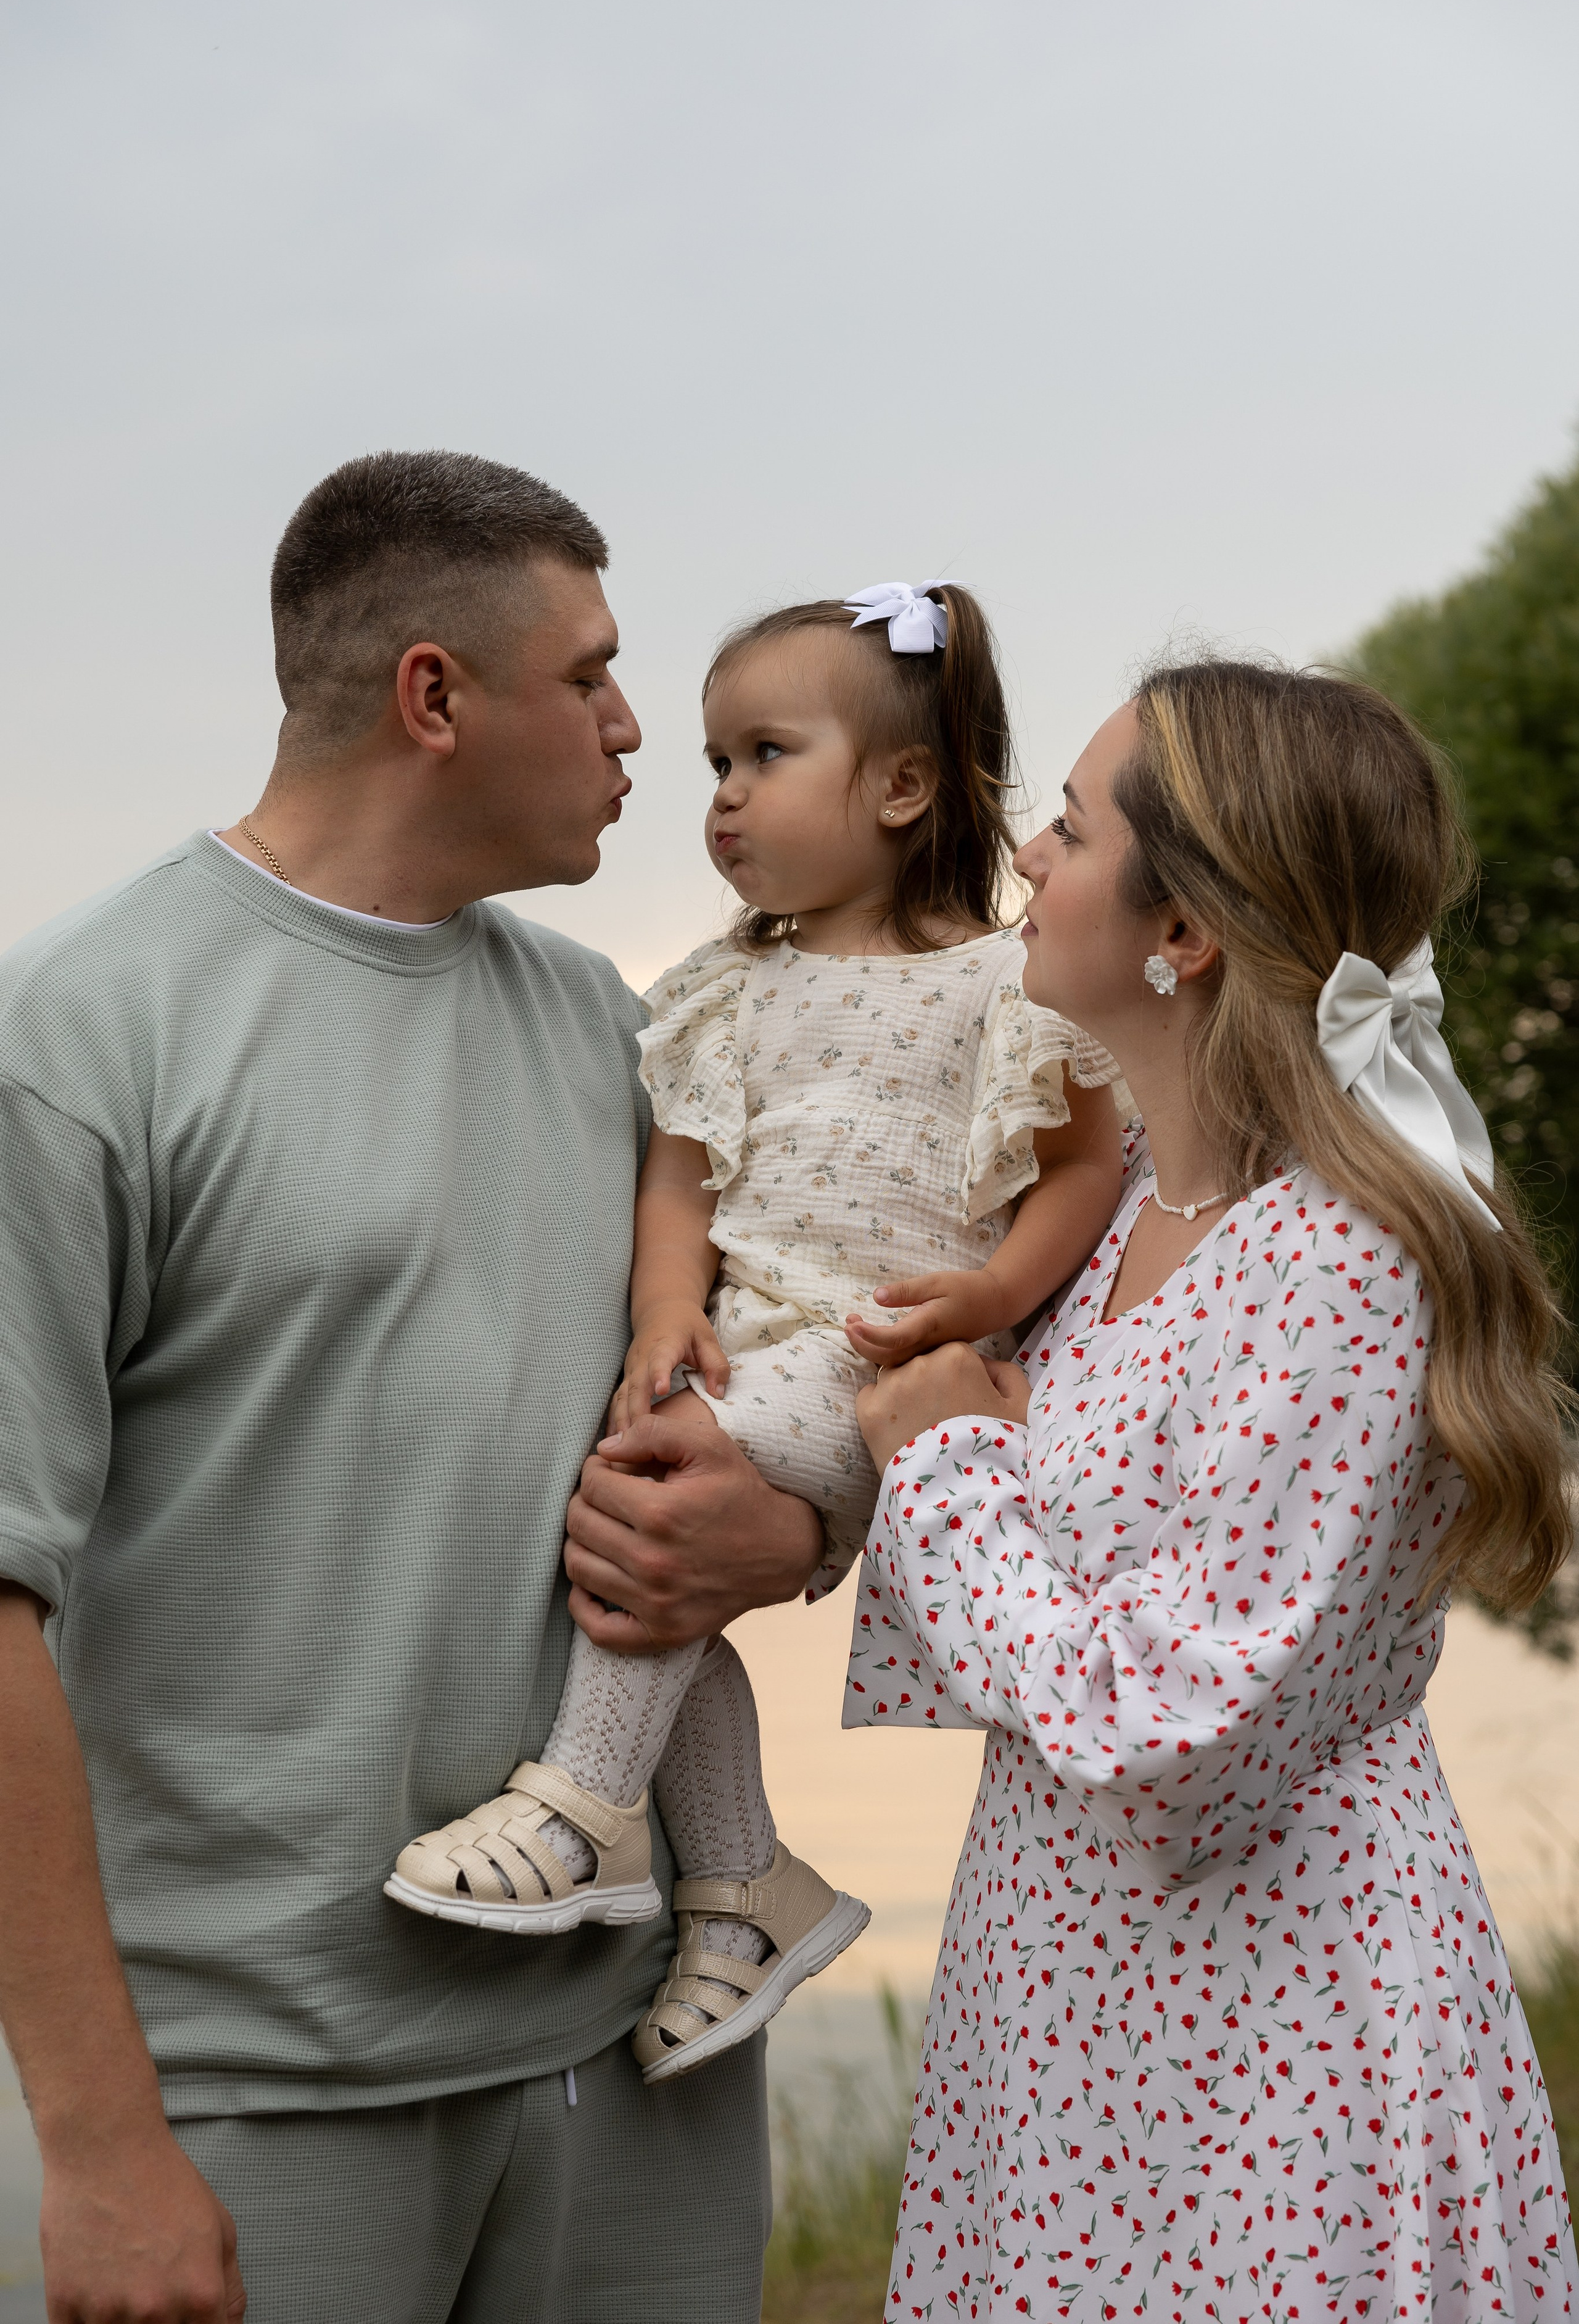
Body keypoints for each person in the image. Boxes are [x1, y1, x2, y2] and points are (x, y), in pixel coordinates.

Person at [0, 450, 831, 2324]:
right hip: (248, 2103)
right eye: (593, 677)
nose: (641, 733)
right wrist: (103, 2144)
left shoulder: (623, 1034)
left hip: (644, 2073)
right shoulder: (78, 1038)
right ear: (434, 696)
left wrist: (772, 1535)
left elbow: (786, 1402)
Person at [849, 660, 1578, 2322]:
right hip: (1077, 2038)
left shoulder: (1343, 1256)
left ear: (1181, 932)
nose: (1027, 856)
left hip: (1275, 2053)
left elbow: (1181, 1746)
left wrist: (953, 1468)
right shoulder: (1134, 1226)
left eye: (1073, 825)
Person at [387, 580, 1126, 2085]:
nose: (719, 798)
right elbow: (683, 1175)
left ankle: (586, 1808)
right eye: (717, 765)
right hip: (747, 1345)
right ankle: (742, 1894)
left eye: (763, 757)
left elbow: (1081, 1172)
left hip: (878, 1366)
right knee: (675, 1584)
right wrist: (667, 1305)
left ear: (902, 787)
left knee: (653, 1499)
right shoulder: (724, 988)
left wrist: (986, 1298)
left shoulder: (1002, 982)